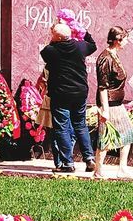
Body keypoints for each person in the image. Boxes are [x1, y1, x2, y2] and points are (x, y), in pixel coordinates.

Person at [40, 20, 97, 174]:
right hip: (79, 93)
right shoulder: (80, 47)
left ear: (56, 37)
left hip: (60, 95)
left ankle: (68, 163)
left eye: (53, 34)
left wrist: (53, 38)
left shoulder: (51, 51)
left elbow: (44, 51)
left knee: (62, 128)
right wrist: (81, 29)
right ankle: (89, 158)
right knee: (81, 125)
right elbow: (92, 44)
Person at [95, 26, 133, 178]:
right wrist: (105, 110)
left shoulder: (114, 55)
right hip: (110, 105)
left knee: (128, 134)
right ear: (118, 40)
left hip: (117, 104)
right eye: (125, 38)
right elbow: (102, 87)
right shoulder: (105, 58)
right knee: (106, 138)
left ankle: (122, 168)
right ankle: (98, 170)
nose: (126, 41)